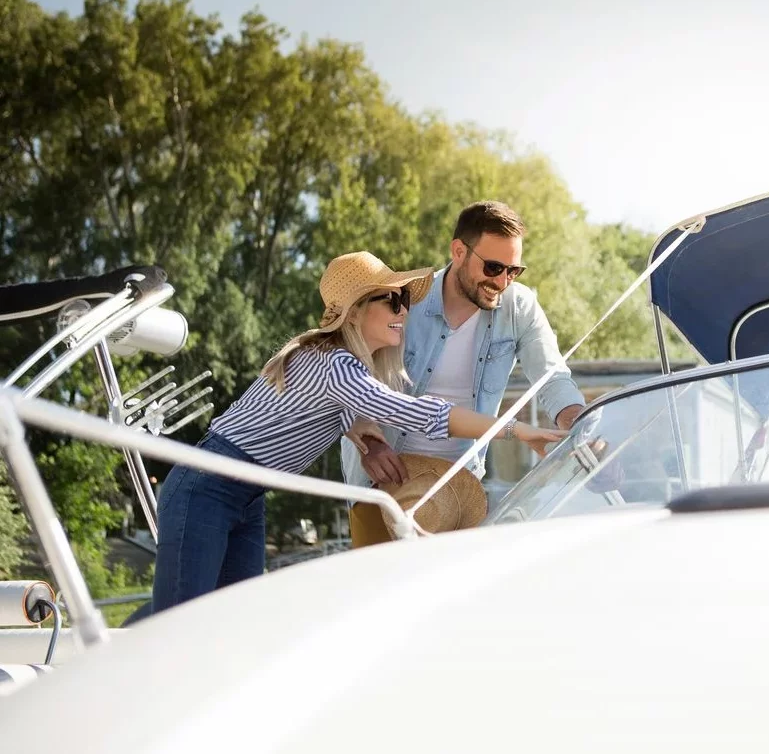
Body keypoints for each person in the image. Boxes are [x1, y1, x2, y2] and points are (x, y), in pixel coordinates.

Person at [149, 250, 564, 615]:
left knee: (226, 620)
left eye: (406, 301)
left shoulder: (338, 363)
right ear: (358, 309)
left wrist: (363, 439)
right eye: (393, 300)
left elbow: (335, 413)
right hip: (207, 486)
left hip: (248, 495)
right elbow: (419, 413)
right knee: (178, 623)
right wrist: (518, 430)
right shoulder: (338, 367)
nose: (405, 311)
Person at [341, 201, 586, 546]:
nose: (502, 281)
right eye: (493, 267)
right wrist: (366, 440)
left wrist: (577, 426)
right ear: (458, 251)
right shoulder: (403, 300)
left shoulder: (520, 308)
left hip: (459, 492)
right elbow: (349, 373)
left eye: (514, 271)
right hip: (381, 484)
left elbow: (553, 377)